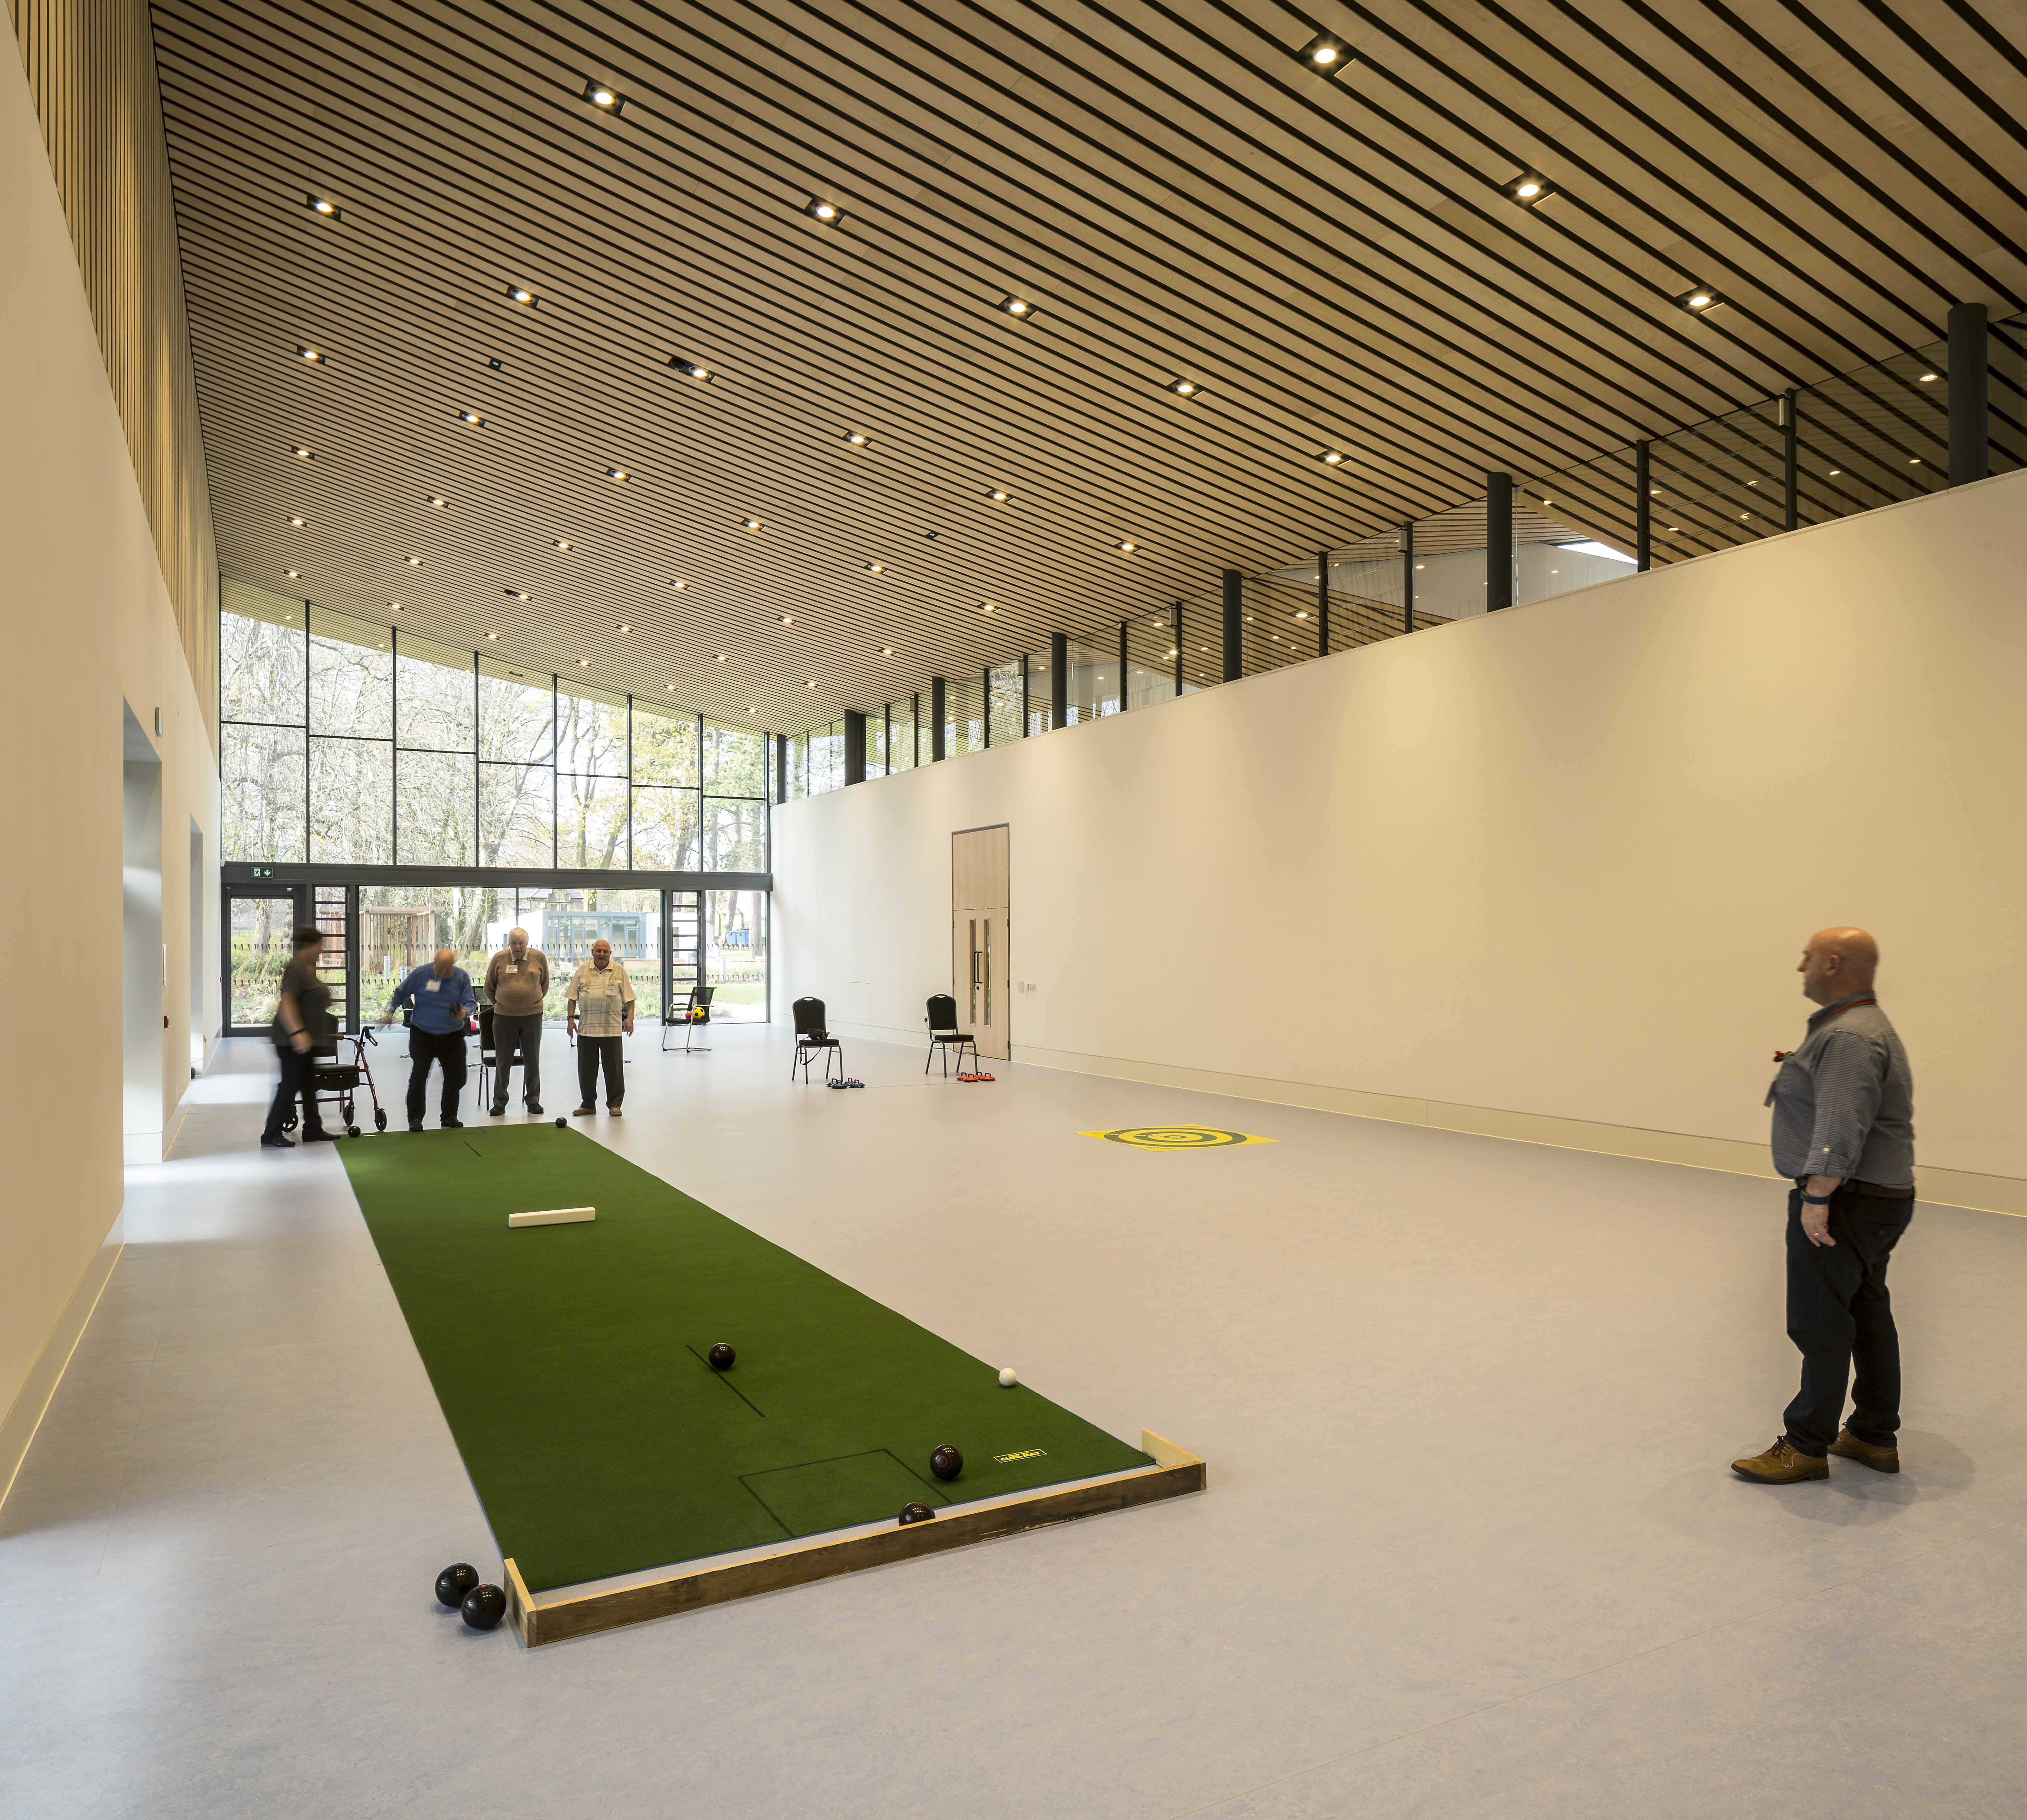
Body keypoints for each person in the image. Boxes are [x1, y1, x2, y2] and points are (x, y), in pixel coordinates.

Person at [1733, 927, 1916, 1485]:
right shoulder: (1860, 1027)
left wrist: (1817, 1197)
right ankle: (1872, 1434)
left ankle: (1805, 1446)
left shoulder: (1849, 1036)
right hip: (1875, 1198)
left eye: (1807, 957)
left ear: (1833, 963)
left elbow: (1841, 1128)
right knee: (1866, 1313)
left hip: (1847, 1198)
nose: (1800, 967)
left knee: (1820, 1323)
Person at [381, 947, 478, 1131]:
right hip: (423, 1034)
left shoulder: (461, 977)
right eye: (439, 966)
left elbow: (470, 1002)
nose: (442, 971)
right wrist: (389, 1013)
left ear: (453, 965)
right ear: (434, 962)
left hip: (452, 1035)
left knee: (457, 1078)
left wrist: (465, 1012)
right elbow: (401, 992)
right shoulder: (421, 974)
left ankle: (449, 1116)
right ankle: (415, 1119)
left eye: (446, 967)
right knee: (419, 1077)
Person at [261, 924, 333, 1147]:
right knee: (290, 1086)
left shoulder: (306, 968)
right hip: (292, 1042)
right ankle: (271, 1134)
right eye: (320, 945)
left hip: (306, 1041)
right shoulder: (296, 968)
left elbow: (305, 998)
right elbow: (287, 1003)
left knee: (309, 1084)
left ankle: (313, 1129)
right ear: (309, 945)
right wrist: (298, 1033)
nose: (322, 950)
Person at [483, 927, 550, 1116]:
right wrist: (503, 1004)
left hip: (532, 1017)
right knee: (503, 1061)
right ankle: (499, 1102)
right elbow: (489, 987)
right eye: (514, 943)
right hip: (504, 1018)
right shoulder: (499, 958)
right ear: (509, 943)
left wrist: (531, 1002)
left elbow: (544, 985)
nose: (518, 947)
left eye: (521, 943)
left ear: (527, 943)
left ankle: (533, 1101)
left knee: (532, 1060)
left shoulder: (539, 958)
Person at [567, 938, 634, 1117]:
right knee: (586, 1071)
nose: (602, 954)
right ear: (593, 952)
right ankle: (588, 1104)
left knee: (614, 1071)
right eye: (599, 951)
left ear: (610, 954)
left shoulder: (619, 970)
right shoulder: (583, 969)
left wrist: (630, 1020)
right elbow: (572, 998)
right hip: (586, 1030)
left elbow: (630, 999)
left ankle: (615, 1105)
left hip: (611, 1030)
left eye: (605, 952)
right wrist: (571, 1020)